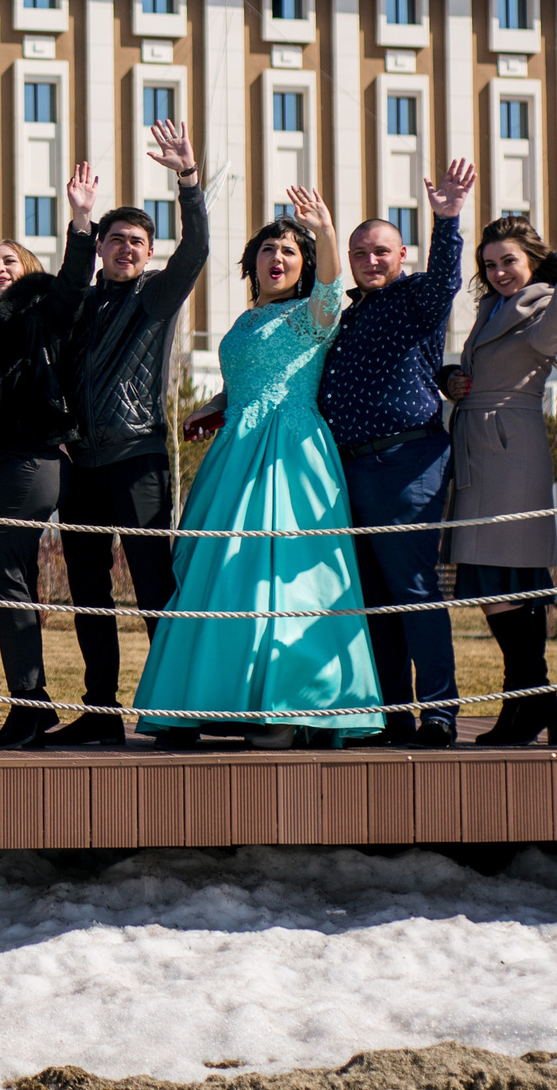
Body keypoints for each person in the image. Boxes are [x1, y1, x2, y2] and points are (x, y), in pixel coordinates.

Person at [132, 185, 384, 749]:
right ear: (253, 262)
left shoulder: (313, 314)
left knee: (285, 577)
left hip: (291, 454)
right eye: (268, 249)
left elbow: (331, 289)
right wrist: (215, 405)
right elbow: (247, 379)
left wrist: (324, 229)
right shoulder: (246, 321)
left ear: (305, 264)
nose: (277, 258)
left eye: (290, 251)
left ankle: (287, 708)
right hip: (234, 456)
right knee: (221, 574)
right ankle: (208, 703)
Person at [45, 119, 212, 747]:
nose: (126, 249)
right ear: (101, 247)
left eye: (137, 242)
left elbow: (196, 249)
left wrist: (188, 180)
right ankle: (100, 711)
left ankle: (176, 710)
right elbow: (66, 287)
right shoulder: (79, 301)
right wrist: (80, 219)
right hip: (80, 465)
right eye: (115, 239)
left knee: (153, 586)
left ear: (149, 252)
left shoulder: (155, 297)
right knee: (89, 592)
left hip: (138, 457)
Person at [0, 164, 99, 748]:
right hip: (2, 467)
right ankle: (34, 705)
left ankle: (28, 707)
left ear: (27, 270)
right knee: (13, 578)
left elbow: (74, 282)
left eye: (9, 261)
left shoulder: (39, 317)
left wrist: (81, 218)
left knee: (3, 577)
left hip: (35, 459)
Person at [441, 216, 557, 746]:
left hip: (508, 450)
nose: (498, 272)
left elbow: (550, 338)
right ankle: (529, 699)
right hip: (480, 445)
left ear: (534, 261)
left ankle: (530, 699)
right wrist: (452, 378)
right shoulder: (492, 307)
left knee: (507, 581)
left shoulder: (547, 298)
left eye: (509, 261)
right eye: (489, 264)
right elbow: (483, 366)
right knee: (496, 584)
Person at [314, 161, 474, 748]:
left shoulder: (416, 297)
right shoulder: (343, 312)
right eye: (360, 253)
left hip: (405, 463)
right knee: (375, 598)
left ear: (402, 255)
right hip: (347, 469)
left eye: (381, 251)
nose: (370, 260)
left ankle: (439, 714)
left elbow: (447, 279)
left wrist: (447, 220)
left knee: (413, 591)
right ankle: (391, 715)